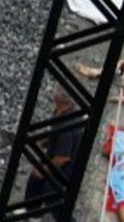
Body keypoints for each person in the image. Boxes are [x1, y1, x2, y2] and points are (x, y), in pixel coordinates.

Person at [22, 90, 83, 221]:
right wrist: (46, 140)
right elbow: (56, 133)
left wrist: (44, 170)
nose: (54, 92)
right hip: (56, 158)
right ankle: (33, 215)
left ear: (63, 100)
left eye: (58, 92)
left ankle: (34, 214)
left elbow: (63, 157)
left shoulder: (67, 125)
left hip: (64, 170)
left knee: (54, 202)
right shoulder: (62, 112)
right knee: (35, 182)